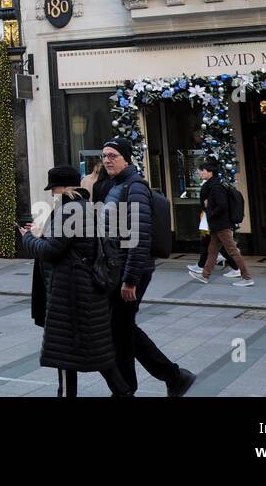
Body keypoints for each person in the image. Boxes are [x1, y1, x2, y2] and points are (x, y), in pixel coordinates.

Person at [92, 139, 195, 396]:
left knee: (119, 328)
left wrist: (130, 280)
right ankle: (171, 377)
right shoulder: (117, 186)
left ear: (126, 159)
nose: (107, 160)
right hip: (120, 268)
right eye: (104, 155)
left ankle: (142, 384)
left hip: (129, 270)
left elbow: (139, 237)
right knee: (122, 328)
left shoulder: (134, 187)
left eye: (113, 155)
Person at [21, 166, 131, 397]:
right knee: (95, 349)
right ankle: (122, 392)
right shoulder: (86, 207)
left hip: (70, 292)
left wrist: (28, 238)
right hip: (88, 289)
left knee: (64, 353)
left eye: (54, 189)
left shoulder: (69, 209)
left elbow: (51, 250)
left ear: (61, 187)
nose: (52, 194)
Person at [186, 165, 255, 286]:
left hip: (222, 225)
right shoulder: (213, 185)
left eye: (202, 171)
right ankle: (205, 275)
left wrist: (209, 211)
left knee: (232, 251)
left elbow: (222, 205)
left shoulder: (216, 187)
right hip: (217, 225)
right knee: (212, 251)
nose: (200, 173)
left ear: (210, 172)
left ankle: (247, 277)